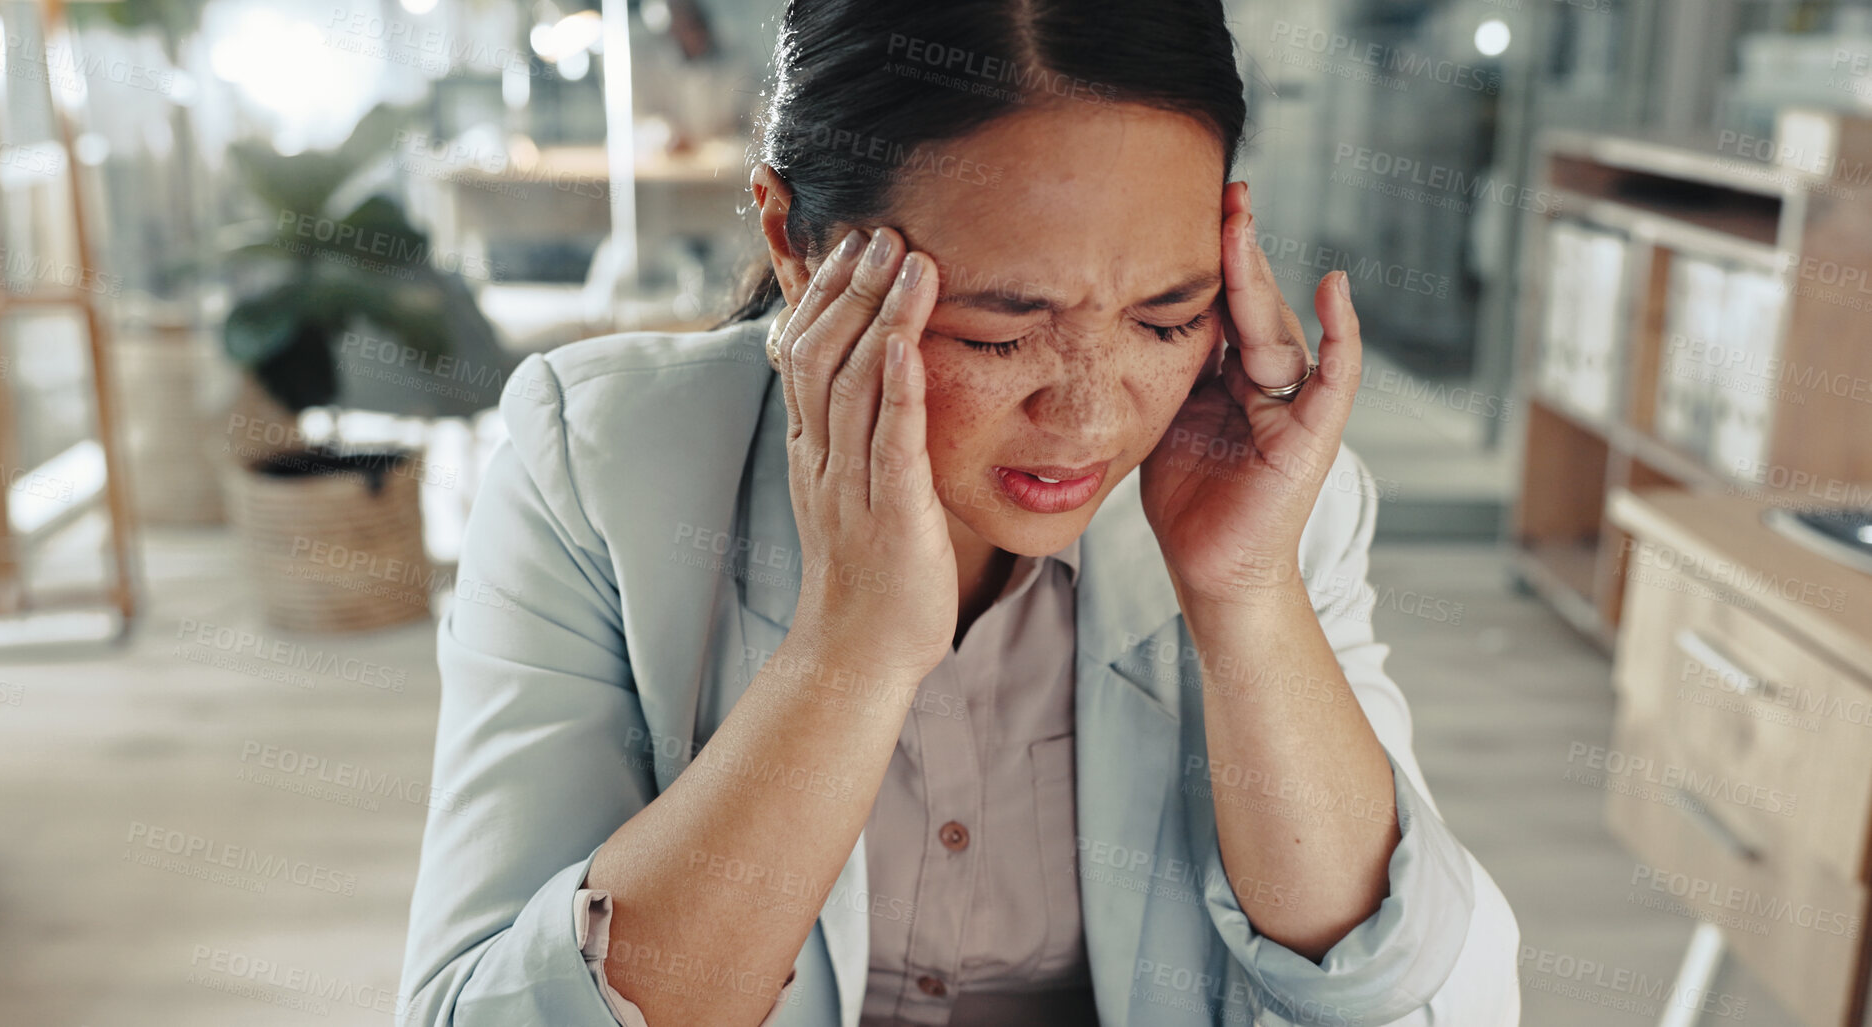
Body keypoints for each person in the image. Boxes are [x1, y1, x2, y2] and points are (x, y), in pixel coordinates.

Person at [397, 1, 1522, 1025]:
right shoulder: (599, 460)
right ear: (795, 244)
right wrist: (852, 647)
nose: (1088, 414)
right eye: (996, 334)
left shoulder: (1268, 494)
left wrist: (1244, 595)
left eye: (1169, 317)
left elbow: (1412, 1000)